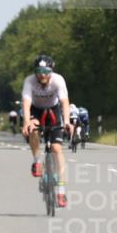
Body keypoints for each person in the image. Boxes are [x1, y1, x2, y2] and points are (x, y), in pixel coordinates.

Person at [21, 54, 71, 208]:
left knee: (57, 149)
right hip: (36, 110)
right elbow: (27, 103)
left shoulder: (58, 80)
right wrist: (26, 123)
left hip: (53, 111)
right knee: (33, 128)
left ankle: (61, 192)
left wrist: (67, 121)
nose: (42, 74)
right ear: (35, 71)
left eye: (46, 71)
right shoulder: (29, 81)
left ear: (51, 71)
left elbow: (64, 102)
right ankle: (37, 161)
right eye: (39, 70)